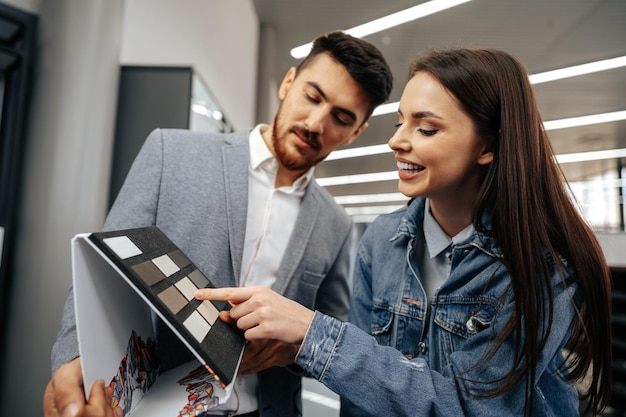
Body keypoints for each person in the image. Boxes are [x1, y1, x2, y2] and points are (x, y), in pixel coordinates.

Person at [194, 47, 613, 416]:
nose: (396, 141)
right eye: (399, 123)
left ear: (488, 147)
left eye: (425, 129)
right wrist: (298, 347)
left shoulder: (541, 266)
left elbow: (474, 406)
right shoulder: (382, 239)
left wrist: (313, 332)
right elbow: (359, 391)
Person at [43, 30, 393, 417]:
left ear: (355, 133)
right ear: (289, 83)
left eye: (341, 118)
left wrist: (289, 350)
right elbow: (101, 271)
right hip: (158, 402)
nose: (315, 123)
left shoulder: (336, 223)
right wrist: (76, 358)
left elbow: (330, 332)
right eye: (312, 96)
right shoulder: (170, 153)